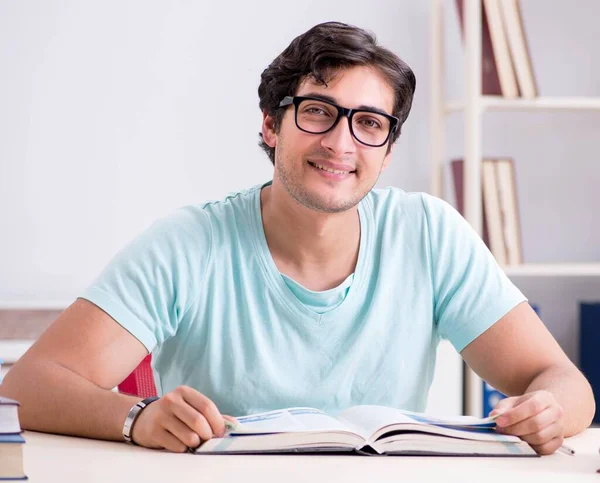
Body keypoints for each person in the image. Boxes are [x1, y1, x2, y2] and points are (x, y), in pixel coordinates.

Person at [0, 21, 594, 455]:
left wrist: (552, 410)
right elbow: (28, 386)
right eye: (317, 112)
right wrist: (137, 416)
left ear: (387, 152)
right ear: (270, 125)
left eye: (368, 124)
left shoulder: (430, 233)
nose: (341, 144)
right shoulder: (188, 242)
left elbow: (568, 384)